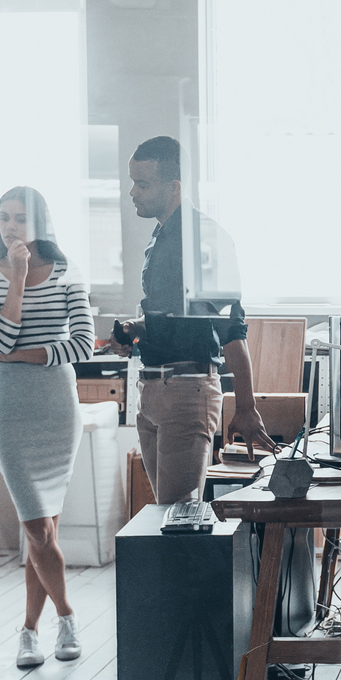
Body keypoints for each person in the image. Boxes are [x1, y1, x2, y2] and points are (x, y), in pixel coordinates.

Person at [102, 135, 276, 504]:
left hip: (186, 390)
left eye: (143, 184)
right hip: (152, 390)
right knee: (167, 515)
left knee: (178, 518)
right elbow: (171, 318)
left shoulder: (206, 240)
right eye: (132, 181)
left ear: (175, 186)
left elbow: (231, 329)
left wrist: (245, 407)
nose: (133, 192)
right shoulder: (161, 237)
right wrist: (133, 330)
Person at [0, 187, 94, 670]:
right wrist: (17, 278)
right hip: (12, 409)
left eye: (20, 218)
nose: (11, 227)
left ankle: (27, 631)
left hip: (57, 408)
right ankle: (67, 615)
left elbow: (83, 345)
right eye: (3, 218)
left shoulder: (67, 273)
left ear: (41, 223)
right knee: (39, 528)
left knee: (41, 534)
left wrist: (20, 356)